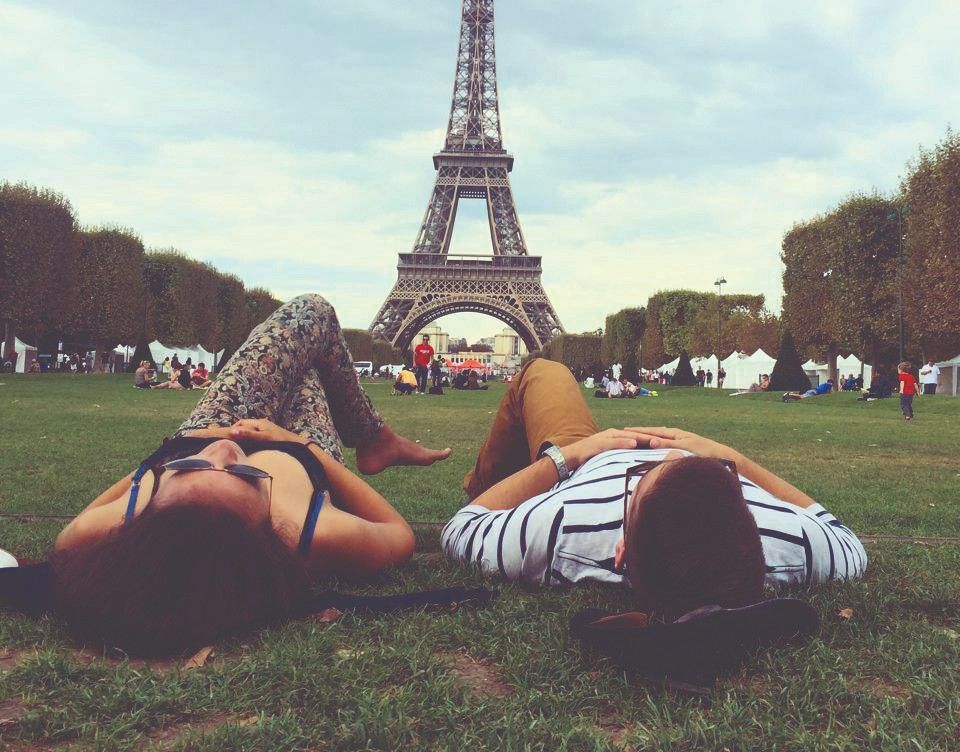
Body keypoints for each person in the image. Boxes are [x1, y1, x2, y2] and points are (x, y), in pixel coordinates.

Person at [51, 294, 451, 657]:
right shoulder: (310, 532)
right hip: (304, 447)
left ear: (153, 502)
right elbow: (399, 534)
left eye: (190, 468)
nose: (225, 453)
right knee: (310, 343)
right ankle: (374, 439)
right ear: (271, 529)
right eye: (245, 475)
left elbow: (66, 539)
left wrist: (175, 449)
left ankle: (373, 439)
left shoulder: (130, 513)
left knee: (311, 326)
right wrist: (300, 446)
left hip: (214, 424)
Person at [443, 359, 865, 618]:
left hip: (588, 458)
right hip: (607, 458)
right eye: (716, 473)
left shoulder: (560, 528)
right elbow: (848, 540)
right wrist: (728, 454)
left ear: (620, 551)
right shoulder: (793, 544)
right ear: (754, 527)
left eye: (641, 479)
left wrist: (567, 458)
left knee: (543, 371)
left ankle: (481, 482)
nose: (663, 454)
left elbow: (463, 526)